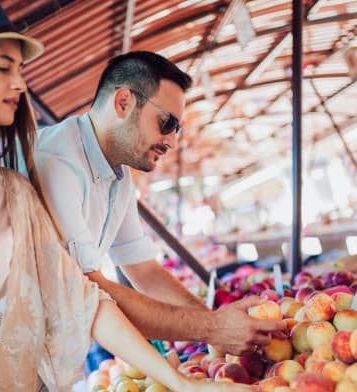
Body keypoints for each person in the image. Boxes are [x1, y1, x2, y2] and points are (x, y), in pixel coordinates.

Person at [0, 1, 267, 392]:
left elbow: (83, 297)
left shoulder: (14, 192)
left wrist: (188, 379)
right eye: (4, 68)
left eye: (20, 69)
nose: (20, 83)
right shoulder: (54, 163)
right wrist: (209, 330)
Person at [33, 51, 287, 357]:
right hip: (6, 356)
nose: (172, 141)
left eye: (177, 129)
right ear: (123, 103)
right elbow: (88, 289)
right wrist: (213, 328)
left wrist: (217, 324)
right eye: (167, 123)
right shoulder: (58, 163)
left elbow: (144, 270)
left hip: (49, 354)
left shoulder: (118, 176)